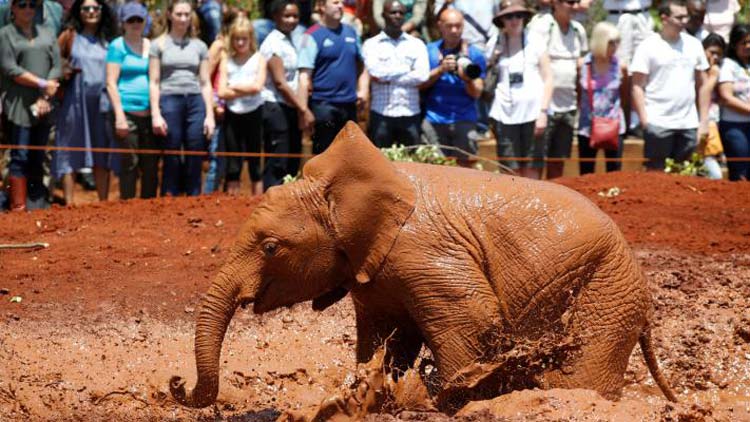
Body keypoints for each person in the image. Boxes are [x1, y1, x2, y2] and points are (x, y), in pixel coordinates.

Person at [630, 0, 710, 171]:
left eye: (686, 16)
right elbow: (637, 85)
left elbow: (703, 85)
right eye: (679, 17)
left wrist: (703, 121)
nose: (684, 21)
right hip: (658, 123)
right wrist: (645, 121)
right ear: (664, 18)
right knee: (656, 176)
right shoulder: (648, 46)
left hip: (688, 123)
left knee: (684, 175)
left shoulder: (694, 45)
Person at [53, 0, 116, 205]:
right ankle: (70, 204)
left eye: (95, 8)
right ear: (78, 12)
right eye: (86, 8)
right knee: (70, 148)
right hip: (74, 102)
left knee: (101, 151)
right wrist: (63, 72)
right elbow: (53, 63)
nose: (91, 12)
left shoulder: (109, 40)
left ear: (102, 11)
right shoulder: (69, 36)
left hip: (102, 103)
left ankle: (103, 203)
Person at [0, 0, 61, 211]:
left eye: (32, 5)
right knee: (20, 156)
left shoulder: (47, 33)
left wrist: (45, 95)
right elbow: (10, 68)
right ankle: (17, 205)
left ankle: (36, 204)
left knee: (39, 154)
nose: (28, 9)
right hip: (19, 103)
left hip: (45, 103)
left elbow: (57, 66)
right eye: (23, 5)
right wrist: (42, 83)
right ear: (13, 8)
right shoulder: (5, 34)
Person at [149, 0, 214, 197]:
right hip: (169, 99)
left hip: (195, 100)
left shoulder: (200, 46)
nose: (183, 19)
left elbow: (205, 82)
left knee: (195, 149)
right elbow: (154, 80)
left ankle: (194, 198)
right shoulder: (157, 45)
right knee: (172, 149)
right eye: (179, 14)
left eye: (187, 14)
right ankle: (170, 197)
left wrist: (209, 115)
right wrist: (155, 114)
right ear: (170, 15)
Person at [487, 0, 552, 179]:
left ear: (524, 17)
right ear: (502, 20)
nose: (514, 20)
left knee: (532, 165)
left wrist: (543, 112)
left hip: (533, 113)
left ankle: (531, 206)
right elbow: (487, 79)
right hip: (504, 113)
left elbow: (548, 78)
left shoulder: (535, 40)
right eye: (509, 16)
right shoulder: (494, 43)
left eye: (518, 15)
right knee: (509, 167)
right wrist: (493, 58)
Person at [297, 0, 369, 154]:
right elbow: (304, 77)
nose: (340, 6)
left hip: (349, 106)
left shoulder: (351, 32)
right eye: (335, 2)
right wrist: (303, 110)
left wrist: (363, 90)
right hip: (324, 106)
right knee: (324, 158)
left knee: (349, 157)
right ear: (322, 6)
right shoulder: (311, 35)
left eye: (342, 3)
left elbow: (363, 66)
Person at [529, 0, 588, 179]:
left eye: (577, 2)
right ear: (556, 3)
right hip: (544, 109)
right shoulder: (541, 26)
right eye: (570, 2)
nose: (575, 7)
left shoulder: (579, 30)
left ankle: (555, 203)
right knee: (536, 161)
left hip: (569, 108)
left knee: (558, 161)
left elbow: (581, 69)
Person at [106, 2, 159, 199]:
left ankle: (149, 208)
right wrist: (119, 116)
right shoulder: (117, 46)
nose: (135, 23)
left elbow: (155, 79)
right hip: (126, 112)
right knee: (129, 163)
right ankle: (127, 207)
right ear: (123, 23)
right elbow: (111, 82)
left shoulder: (151, 46)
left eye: (139, 19)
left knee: (151, 164)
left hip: (149, 114)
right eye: (131, 20)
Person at [420, 8, 485, 166]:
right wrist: (440, 70)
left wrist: (467, 79)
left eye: (458, 26)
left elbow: (477, 92)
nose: (454, 31)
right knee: (434, 170)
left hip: (464, 120)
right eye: (449, 26)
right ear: (440, 26)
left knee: (466, 173)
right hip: (434, 119)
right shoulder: (429, 51)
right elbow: (419, 85)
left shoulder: (475, 54)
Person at [363, 0, 429, 148]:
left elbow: (422, 75)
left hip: (410, 113)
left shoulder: (417, 44)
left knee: (410, 163)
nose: (397, 16)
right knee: (380, 164)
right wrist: (407, 69)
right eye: (393, 12)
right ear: (383, 15)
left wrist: (387, 76)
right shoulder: (371, 44)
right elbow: (375, 72)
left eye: (401, 13)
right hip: (381, 114)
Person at [218, 16, 266, 195]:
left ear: (250, 39)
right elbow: (222, 92)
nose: (240, 42)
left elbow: (257, 86)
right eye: (237, 38)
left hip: (254, 112)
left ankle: (257, 201)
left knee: (254, 160)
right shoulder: (227, 60)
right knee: (233, 161)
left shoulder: (258, 58)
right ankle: (233, 202)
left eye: (244, 38)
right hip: (233, 113)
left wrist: (234, 86)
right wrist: (246, 89)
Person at [260, 0, 305, 188]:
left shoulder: (291, 41)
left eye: (295, 16)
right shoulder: (273, 43)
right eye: (287, 16)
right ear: (276, 17)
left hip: (289, 107)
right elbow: (280, 83)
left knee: (292, 158)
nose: (291, 20)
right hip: (275, 107)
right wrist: (304, 109)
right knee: (278, 161)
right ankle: (271, 204)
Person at [577, 22, 627, 175]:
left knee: (614, 172)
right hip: (588, 126)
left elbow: (625, 94)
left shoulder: (621, 66)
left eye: (617, 42)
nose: (615, 46)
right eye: (610, 42)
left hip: (614, 125)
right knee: (586, 172)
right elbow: (578, 93)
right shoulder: (583, 65)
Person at [203, 7, 244, 194]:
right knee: (216, 162)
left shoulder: (240, 46)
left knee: (231, 162)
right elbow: (204, 78)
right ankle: (208, 200)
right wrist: (212, 105)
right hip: (218, 110)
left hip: (235, 109)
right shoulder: (219, 45)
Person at [717, 24, 750, 181]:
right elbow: (726, 97)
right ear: (735, 43)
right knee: (740, 169)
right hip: (735, 125)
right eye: (743, 43)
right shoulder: (728, 65)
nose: (748, 46)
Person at [699, 32, 725, 180]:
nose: (715, 57)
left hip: (715, 124)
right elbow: (703, 94)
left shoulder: (719, 69)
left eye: (719, 54)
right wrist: (713, 77)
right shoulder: (698, 72)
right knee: (715, 175)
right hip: (701, 123)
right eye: (712, 52)